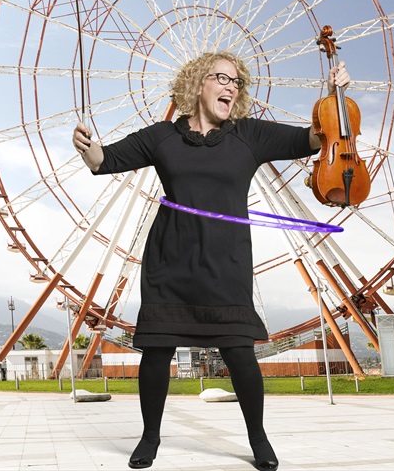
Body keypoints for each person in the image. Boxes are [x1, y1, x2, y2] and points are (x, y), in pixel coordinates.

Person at [72, 51, 349, 471]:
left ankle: (258, 438)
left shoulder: (249, 135)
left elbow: (311, 138)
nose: (231, 87)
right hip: (170, 259)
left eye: (237, 82)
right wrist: (87, 147)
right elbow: (104, 161)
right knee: (157, 348)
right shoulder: (162, 136)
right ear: (198, 83)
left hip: (226, 260)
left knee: (239, 352)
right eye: (222, 78)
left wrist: (334, 98)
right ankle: (150, 437)